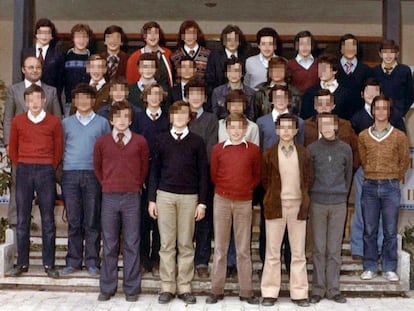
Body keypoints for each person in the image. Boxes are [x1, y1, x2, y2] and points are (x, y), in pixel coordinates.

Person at [148, 101, 208, 305]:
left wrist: (202, 203)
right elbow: (153, 171)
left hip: (189, 197)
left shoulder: (197, 142)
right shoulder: (161, 140)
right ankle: (167, 286)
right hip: (165, 196)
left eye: (184, 113)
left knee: (185, 243)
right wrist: (151, 199)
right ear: (171, 117)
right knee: (166, 243)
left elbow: (203, 174)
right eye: (176, 114)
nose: (180, 117)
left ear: (189, 116)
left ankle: (184, 286)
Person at [93, 100, 149, 301]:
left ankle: (132, 288)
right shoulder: (102, 142)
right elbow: (98, 168)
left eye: (126, 116)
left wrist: (135, 184)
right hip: (109, 196)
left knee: (132, 242)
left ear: (131, 119)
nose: (122, 121)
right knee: (109, 243)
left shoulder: (140, 142)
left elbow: (144, 168)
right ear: (111, 119)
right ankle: (107, 287)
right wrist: (107, 183)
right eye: (118, 117)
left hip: (132, 196)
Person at [8, 85, 63, 278]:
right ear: (25, 102)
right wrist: (22, 163)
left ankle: (49, 264)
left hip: (45, 170)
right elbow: (12, 148)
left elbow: (58, 148)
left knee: (48, 218)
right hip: (24, 169)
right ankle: (22, 263)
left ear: (44, 101)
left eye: (37, 99)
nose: (34, 103)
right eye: (30, 100)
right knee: (22, 218)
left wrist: (49, 165)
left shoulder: (54, 122)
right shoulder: (18, 121)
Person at [206, 113, 261, 305]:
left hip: (244, 201)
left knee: (243, 248)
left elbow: (256, 176)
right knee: (220, 247)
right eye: (232, 127)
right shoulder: (218, 149)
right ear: (227, 129)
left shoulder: (253, 150)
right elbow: (214, 174)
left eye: (240, 127)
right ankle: (216, 289)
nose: (236, 131)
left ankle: (246, 291)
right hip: (221, 199)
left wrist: (245, 189)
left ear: (245, 129)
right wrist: (225, 189)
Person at [3, 56, 61, 230]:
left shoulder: (51, 91)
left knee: (46, 192)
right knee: (17, 186)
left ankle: (44, 224)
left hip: (44, 154)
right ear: (23, 69)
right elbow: (8, 119)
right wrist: (8, 144)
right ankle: (16, 221)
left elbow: (57, 119)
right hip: (21, 150)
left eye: (37, 67)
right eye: (30, 67)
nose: (34, 70)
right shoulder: (15, 90)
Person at [261, 113, 312, 308]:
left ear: (296, 130)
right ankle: (269, 292)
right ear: (277, 130)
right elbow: (265, 180)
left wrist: (302, 199)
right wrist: (272, 197)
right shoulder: (268, 153)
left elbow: (308, 179)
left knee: (298, 253)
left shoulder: (304, 153)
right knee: (273, 252)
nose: (287, 131)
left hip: (298, 206)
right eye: (283, 127)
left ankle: (299, 293)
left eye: (291, 127)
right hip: (276, 205)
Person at [350, 78, 405, 260]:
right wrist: (367, 168)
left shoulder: (395, 118)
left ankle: (382, 250)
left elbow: (403, 155)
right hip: (365, 173)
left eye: (375, 91)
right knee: (362, 211)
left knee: (386, 217)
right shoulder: (357, 117)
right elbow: (359, 149)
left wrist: (395, 172)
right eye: (368, 91)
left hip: (389, 177)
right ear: (362, 94)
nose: (372, 94)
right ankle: (360, 250)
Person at [60, 83, 111, 276]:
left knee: (92, 220)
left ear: (93, 100)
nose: (83, 101)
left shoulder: (102, 123)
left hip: (93, 175)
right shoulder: (66, 123)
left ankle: (92, 261)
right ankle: (73, 261)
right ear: (74, 101)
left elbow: (106, 152)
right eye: (79, 98)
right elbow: (60, 149)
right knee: (74, 220)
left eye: (87, 97)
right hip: (70, 174)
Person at [359, 95, 409, 282]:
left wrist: (392, 174)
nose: (380, 111)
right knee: (369, 229)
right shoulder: (364, 135)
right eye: (377, 108)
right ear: (372, 111)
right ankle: (370, 265)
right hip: (370, 185)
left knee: (389, 229)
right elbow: (363, 159)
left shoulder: (399, 136)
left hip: (390, 186)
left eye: (384, 108)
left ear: (389, 111)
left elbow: (404, 161)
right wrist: (373, 172)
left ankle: (389, 267)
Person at [308, 113, 352, 304]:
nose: (326, 128)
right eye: (322, 124)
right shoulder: (312, 149)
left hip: (338, 203)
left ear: (336, 126)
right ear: (318, 126)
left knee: (334, 248)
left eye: (330, 124)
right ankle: (317, 288)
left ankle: (333, 289)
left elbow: (348, 175)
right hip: (317, 202)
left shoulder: (345, 149)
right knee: (319, 247)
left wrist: (341, 194)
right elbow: (308, 177)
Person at [135, 83, 170, 276]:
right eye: (151, 94)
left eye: (158, 94)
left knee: (159, 221)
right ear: (145, 97)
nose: (155, 97)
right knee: (142, 220)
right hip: (142, 173)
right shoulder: (138, 119)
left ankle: (157, 260)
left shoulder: (167, 120)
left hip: (163, 173)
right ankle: (142, 260)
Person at [185, 79, 218, 278]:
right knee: (184, 222)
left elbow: (211, 147)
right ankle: (185, 260)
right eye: (192, 93)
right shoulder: (179, 114)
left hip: (204, 174)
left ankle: (201, 261)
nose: (196, 97)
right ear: (186, 96)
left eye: (200, 94)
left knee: (203, 221)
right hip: (181, 176)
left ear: (205, 98)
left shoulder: (211, 119)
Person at [22, 18, 65, 105]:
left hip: (49, 98)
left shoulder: (58, 55)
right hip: (29, 97)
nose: (44, 36)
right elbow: (22, 75)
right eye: (41, 33)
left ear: (51, 36)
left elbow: (60, 81)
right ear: (36, 35)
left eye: (47, 33)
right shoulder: (26, 52)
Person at [301, 54, 353, 120]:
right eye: (320, 68)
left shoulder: (345, 93)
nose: (321, 72)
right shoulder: (310, 92)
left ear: (335, 70)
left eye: (325, 69)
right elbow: (305, 117)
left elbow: (348, 117)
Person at [372, 39, 414, 117]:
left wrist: (400, 112)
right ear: (380, 54)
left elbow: (410, 96)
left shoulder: (405, 71)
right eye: (385, 52)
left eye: (392, 52)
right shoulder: (374, 71)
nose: (388, 55)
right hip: (378, 115)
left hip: (399, 115)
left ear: (397, 54)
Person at [126, 21, 173, 89]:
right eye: (149, 33)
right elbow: (131, 81)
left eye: (156, 33)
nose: (152, 36)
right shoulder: (135, 57)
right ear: (144, 36)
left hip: (166, 94)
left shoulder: (168, 53)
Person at [205, 24, 250, 96]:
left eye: (235, 39)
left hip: (241, 98)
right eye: (229, 40)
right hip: (218, 97)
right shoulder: (215, 56)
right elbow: (209, 80)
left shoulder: (245, 57)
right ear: (224, 42)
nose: (232, 42)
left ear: (240, 42)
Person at [337, 34, 373, 113]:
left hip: (360, 114)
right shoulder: (333, 68)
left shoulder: (367, 70)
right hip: (336, 114)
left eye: (353, 46)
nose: (350, 49)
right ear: (341, 49)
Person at [63, 23, 93, 116]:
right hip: (69, 104)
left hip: (88, 104)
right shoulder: (65, 58)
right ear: (73, 39)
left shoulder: (92, 58)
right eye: (78, 37)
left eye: (85, 37)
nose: (81, 40)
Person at [287, 30, 319, 96]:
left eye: (307, 44)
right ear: (296, 46)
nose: (305, 47)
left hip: (316, 101)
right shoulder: (289, 64)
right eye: (301, 44)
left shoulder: (319, 63)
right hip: (296, 101)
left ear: (312, 46)